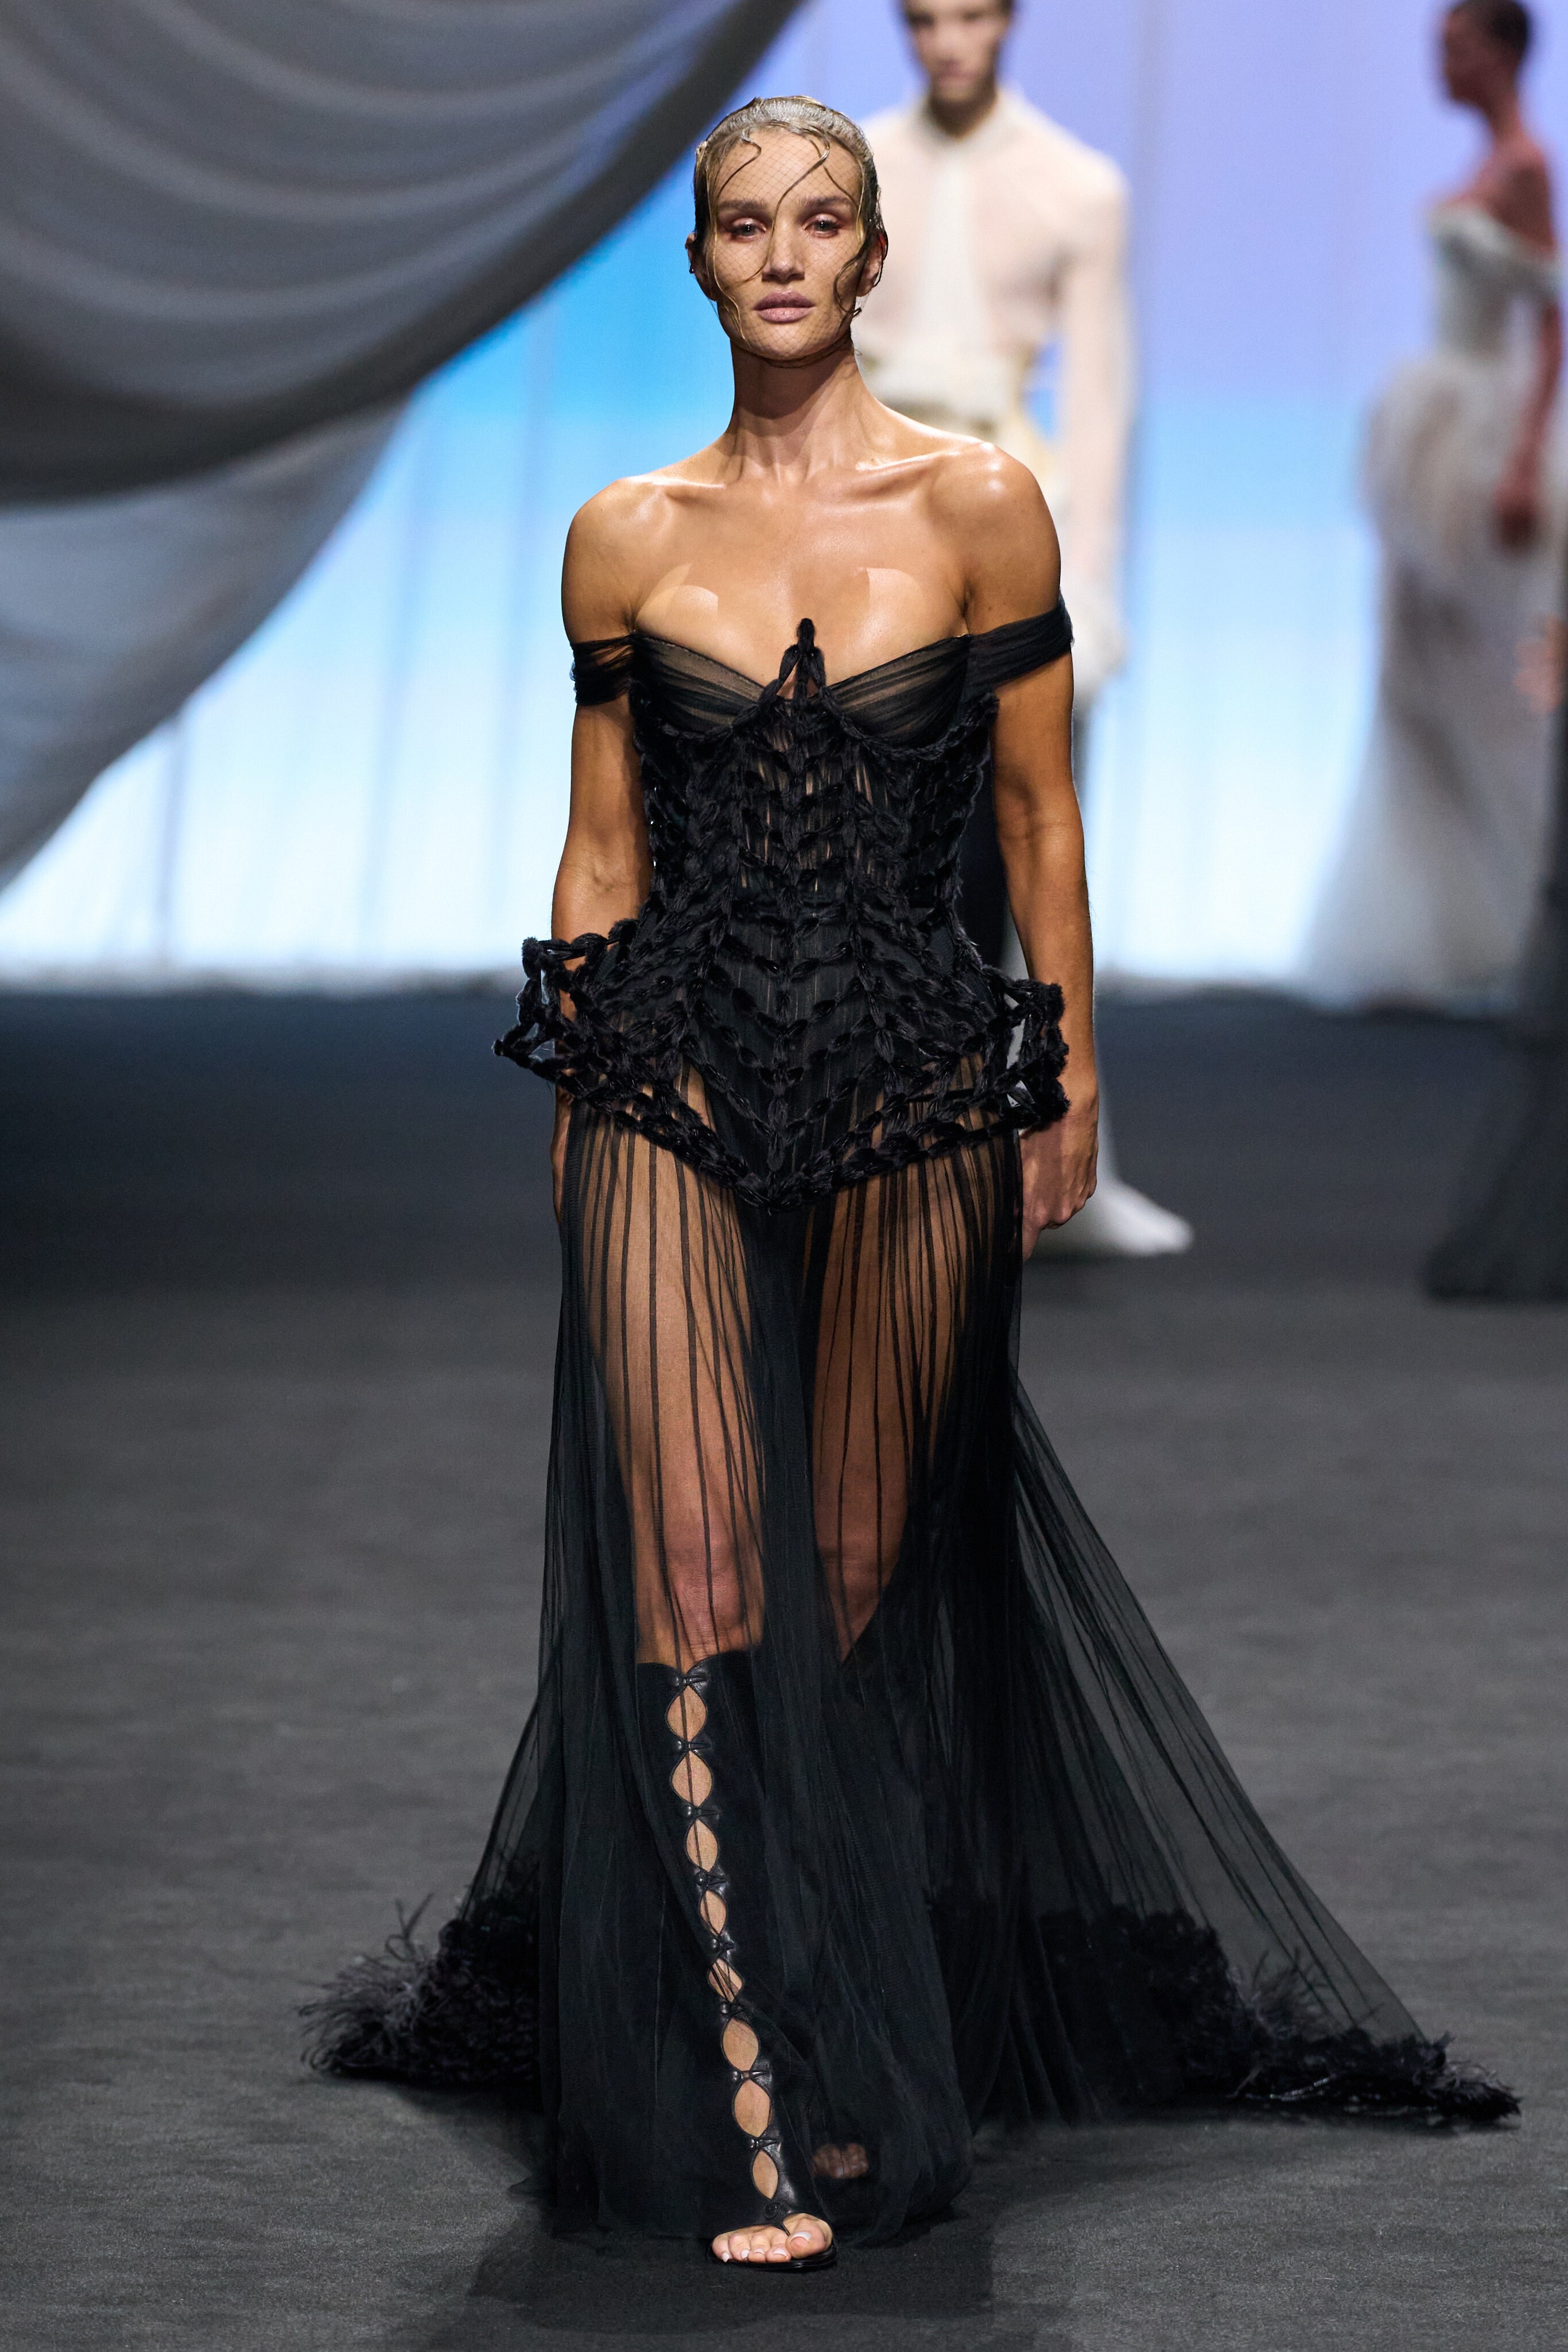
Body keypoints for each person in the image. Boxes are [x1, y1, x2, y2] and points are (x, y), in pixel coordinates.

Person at [308, 97, 1512, 2270]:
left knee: (853, 1575)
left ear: (871, 261)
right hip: (666, 1069)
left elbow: (1037, 819)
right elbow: (601, 842)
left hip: (919, 1081)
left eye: (819, 220)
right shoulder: (619, 535)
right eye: (741, 222)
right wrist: (574, 1086)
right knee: (691, 1568)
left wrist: (1069, 1075)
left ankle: (832, 1984)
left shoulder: (979, 508)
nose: (780, 253)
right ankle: (752, 2088)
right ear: (698, 261)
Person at [856, 0, 1191, 1257]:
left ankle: (1050, 1152)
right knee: (865, 845)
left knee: (1028, 843)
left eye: (970, 15)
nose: (948, 41)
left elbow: (1101, 397)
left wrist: (1086, 589)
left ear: (1008, 21)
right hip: (867, 520)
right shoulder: (853, 165)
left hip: (1007, 522)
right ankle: (872, 1158)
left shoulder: (1075, 185)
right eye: (925, 18)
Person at [1301, 0, 1565, 1012]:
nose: (1440, 65)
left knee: (1493, 679)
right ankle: (1442, 926)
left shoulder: (1527, 168)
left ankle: (1526, 918)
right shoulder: (1491, 164)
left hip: (1484, 432)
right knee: (1415, 670)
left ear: (1501, 52)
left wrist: (1525, 458)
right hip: (1438, 431)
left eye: (1454, 48)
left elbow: (1551, 321)